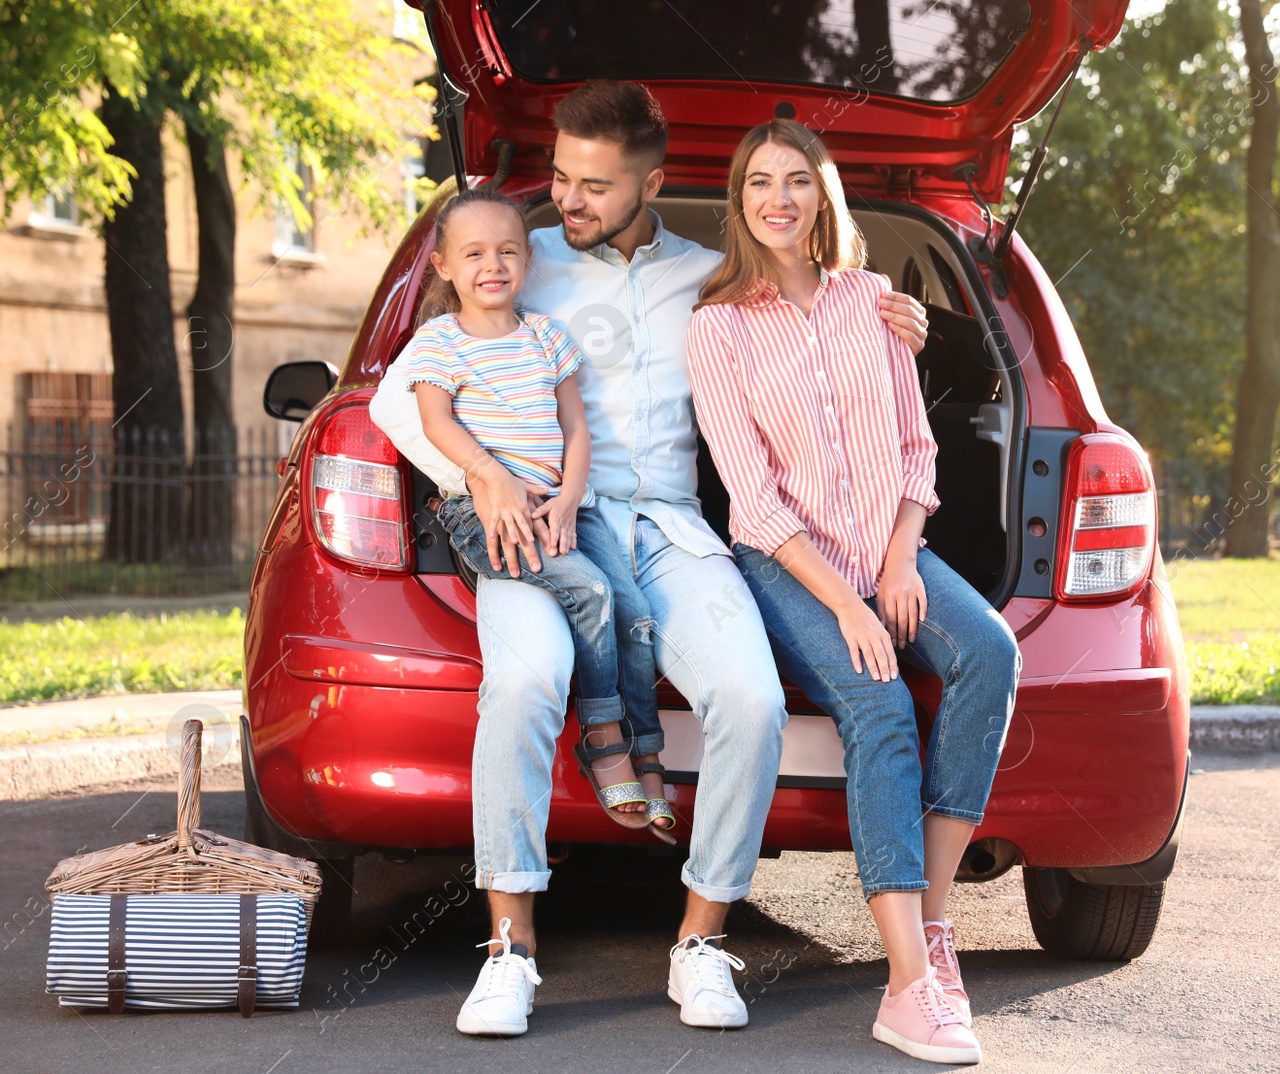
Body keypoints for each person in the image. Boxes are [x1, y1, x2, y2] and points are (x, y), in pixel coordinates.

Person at [432, 80, 930, 1039]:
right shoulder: (511, 261)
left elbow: (812, 309)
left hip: (672, 529)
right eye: (560, 180)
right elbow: (403, 394)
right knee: (527, 684)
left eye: (592, 187)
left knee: (750, 700)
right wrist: (483, 477)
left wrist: (892, 317)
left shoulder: (710, 278)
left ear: (650, 183)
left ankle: (702, 940)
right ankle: (509, 950)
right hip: (542, 528)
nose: (565, 202)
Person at [686, 119, 1021, 1066]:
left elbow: (918, 449)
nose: (778, 198)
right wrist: (847, 603)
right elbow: (749, 498)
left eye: (798, 180)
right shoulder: (718, 330)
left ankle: (932, 928)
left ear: (822, 197)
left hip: (888, 549)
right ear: (740, 202)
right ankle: (910, 988)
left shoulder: (876, 302)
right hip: (788, 562)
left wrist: (901, 561)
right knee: (878, 706)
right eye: (759, 182)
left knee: (991, 652)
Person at [402, 186, 680, 864]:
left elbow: (575, 429)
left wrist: (568, 497)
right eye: (472, 253)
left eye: (506, 251)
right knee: (591, 593)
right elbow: (435, 422)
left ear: (527, 260)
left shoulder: (546, 337)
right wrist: (485, 472)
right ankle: (605, 741)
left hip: (563, 507)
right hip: (486, 515)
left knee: (637, 611)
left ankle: (650, 757)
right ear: (443, 266)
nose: (491, 264)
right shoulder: (440, 342)